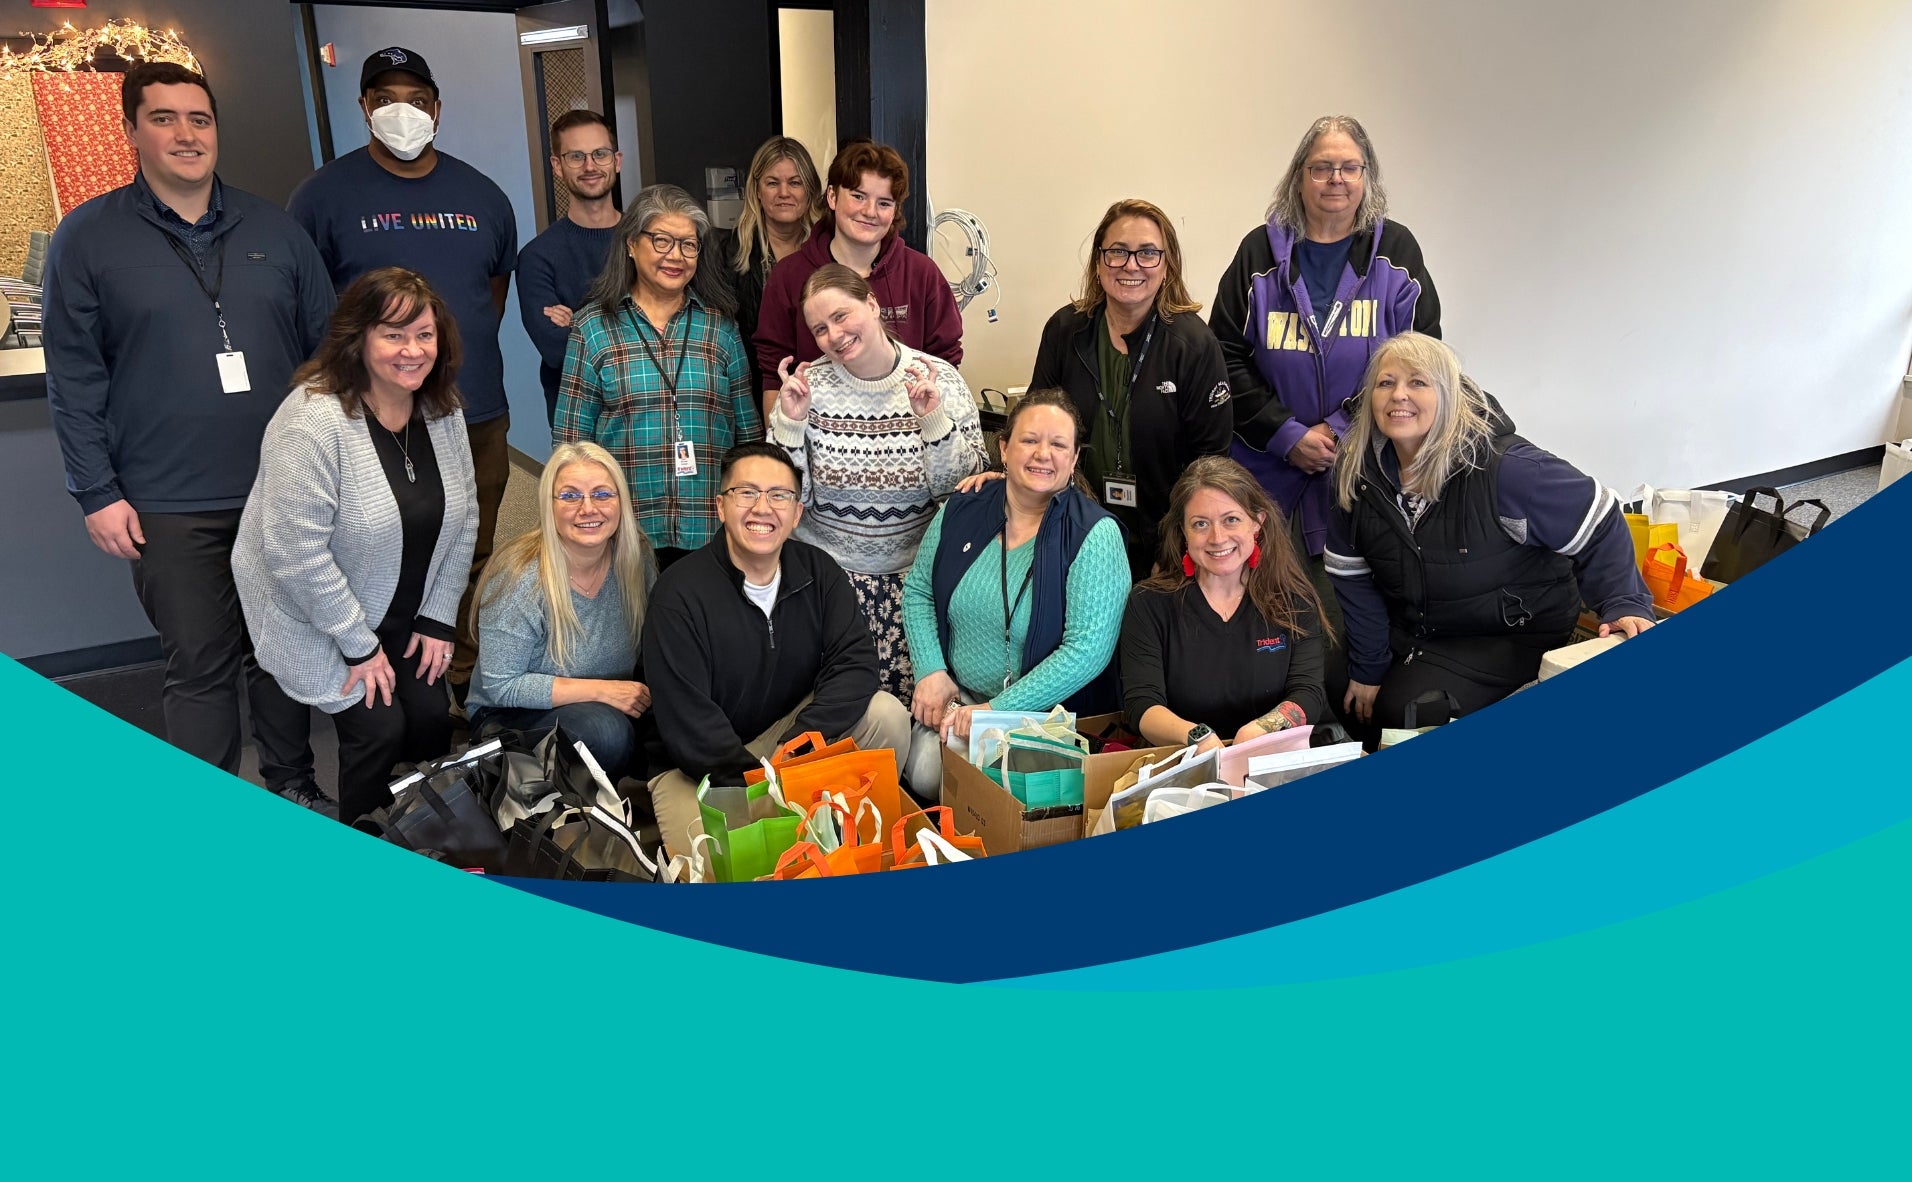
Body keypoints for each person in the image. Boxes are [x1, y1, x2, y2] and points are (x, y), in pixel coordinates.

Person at [43, 62, 334, 809]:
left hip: (280, 488)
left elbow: (328, 357)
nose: (185, 134)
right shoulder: (89, 237)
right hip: (168, 500)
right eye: (165, 118)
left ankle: (293, 788)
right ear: (131, 129)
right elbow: (74, 377)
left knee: (280, 654)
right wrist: (96, 492)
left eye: (199, 119)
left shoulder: (276, 230)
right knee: (200, 664)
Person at [287, 46, 518, 703]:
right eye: (385, 99)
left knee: (469, 552)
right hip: (373, 423)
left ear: (438, 109)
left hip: (473, 414)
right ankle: (386, 684)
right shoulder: (322, 197)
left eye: (417, 100)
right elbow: (310, 308)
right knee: (382, 552)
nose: (403, 112)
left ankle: (464, 679)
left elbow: (489, 295)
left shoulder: (482, 195)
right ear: (364, 108)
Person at [233, 268, 478, 824]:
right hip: (312, 614)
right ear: (358, 337)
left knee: (432, 721)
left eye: (424, 334)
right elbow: (295, 554)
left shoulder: (443, 409)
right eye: (393, 335)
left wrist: (438, 618)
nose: (412, 351)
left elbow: (466, 519)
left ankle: (427, 840)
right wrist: (359, 644)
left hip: (403, 606)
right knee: (379, 726)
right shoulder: (312, 420)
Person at [1323, 333, 1652, 739]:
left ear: (1449, 395)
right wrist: (1368, 667)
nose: (1398, 395)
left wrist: (1623, 601)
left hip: (1504, 630)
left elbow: (1599, 517)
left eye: (1418, 382)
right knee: (1341, 683)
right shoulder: (1356, 474)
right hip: (1416, 620)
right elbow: (1351, 577)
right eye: (1385, 383)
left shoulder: (1508, 470)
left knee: (1404, 710)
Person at [641, 441, 911, 858]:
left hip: (785, 739)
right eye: (746, 493)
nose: (762, 508)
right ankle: (797, 822)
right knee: (720, 870)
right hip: (696, 767)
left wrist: (800, 742)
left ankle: (846, 847)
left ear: (797, 513)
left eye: (779, 495)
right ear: (720, 507)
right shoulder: (678, 593)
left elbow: (855, 664)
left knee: (886, 714)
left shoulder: (819, 572)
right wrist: (763, 786)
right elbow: (687, 721)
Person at [1211, 115, 1440, 584]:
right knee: (1263, 611)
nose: (1336, 178)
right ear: (1299, 178)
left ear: (1367, 177)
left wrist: (1340, 430)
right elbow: (1223, 357)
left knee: (1349, 622)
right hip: (1263, 473)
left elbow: (1421, 360)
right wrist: (1286, 435)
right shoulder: (1257, 254)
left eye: (1350, 167)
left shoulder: (1397, 252)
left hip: (1366, 470)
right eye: (1322, 167)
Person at [769, 264, 989, 701]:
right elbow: (790, 500)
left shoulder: (939, 378)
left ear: (872, 304)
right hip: (827, 583)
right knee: (832, 715)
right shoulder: (807, 388)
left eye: (841, 316)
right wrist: (790, 425)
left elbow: (963, 495)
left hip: (916, 587)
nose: (834, 335)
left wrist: (933, 420)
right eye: (819, 329)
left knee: (913, 736)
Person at [900, 389, 1130, 797]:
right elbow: (918, 589)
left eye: (1058, 444)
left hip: (1045, 718)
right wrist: (931, 671)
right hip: (963, 699)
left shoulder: (1095, 534)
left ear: (1074, 460)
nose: (1043, 453)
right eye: (1029, 440)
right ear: (1003, 448)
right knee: (923, 775)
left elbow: (1087, 650)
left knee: (997, 797)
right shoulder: (964, 506)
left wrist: (995, 713)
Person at [553, 183, 762, 570]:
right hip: (625, 532)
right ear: (632, 244)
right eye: (662, 241)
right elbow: (570, 447)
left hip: (710, 531)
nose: (676, 256)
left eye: (688, 245)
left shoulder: (720, 329)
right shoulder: (593, 329)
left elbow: (747, 439)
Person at [1029, 198, 1233, 579]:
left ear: (1167, 264)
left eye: (1147, 253)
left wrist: (1175, 550)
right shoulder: (1065, 331)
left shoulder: (1194, 345)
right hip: (1073, 533)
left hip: (1163, 540)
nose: (1131, 265)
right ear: (1098, 261)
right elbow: (1034, 427)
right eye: (1118, 252)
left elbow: (1210, 464)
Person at [467, 442, 656, 783]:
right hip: (512, 714)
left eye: (602, 494)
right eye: (570, 496)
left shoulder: (635, 558)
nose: (588, 508)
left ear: (621, 502)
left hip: (608, 700)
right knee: (605, 733)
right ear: (549, 505)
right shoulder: (520, 575)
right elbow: (500, 685)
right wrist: (601, 691)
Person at [1121, 457, 1330, 755]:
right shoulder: (1148, 603)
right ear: (1183, 532)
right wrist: (1198, 737)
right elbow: (1141, 704)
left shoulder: (1294, 601)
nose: (1217, 538)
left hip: (1271, 759)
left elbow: (1308, 693)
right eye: (1201, 524)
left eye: (1231, 519)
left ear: (1257, 523)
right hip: (1181, 765)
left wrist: (1258, 731)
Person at [753, 140, 962, 410]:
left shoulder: (921, 274)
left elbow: (945, 364)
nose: (870, 212)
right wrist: (779, 447)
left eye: (884, 202)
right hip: (817, 436)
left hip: (908, 435)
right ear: (832, 196)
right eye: (858, 196)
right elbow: (775, 375)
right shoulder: (789, 276)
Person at [517, 110, 622, 427]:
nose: (590, 166)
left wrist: (580, 322)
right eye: (576, 156)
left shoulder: (646, 241)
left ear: (616, 161)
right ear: (557, 166)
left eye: (599, 154)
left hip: (652, 412)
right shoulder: (537, 257)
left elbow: (671, 330)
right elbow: (558, 352)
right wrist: (630, 324)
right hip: (579, 422)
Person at [710, 136, 823, 350]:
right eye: (772, 183)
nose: (783, 193)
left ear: (810, 190)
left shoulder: (829, 251)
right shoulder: (726, 253)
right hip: (754, 378)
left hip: (818, 377)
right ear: (757, 191)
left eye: (795, 182)